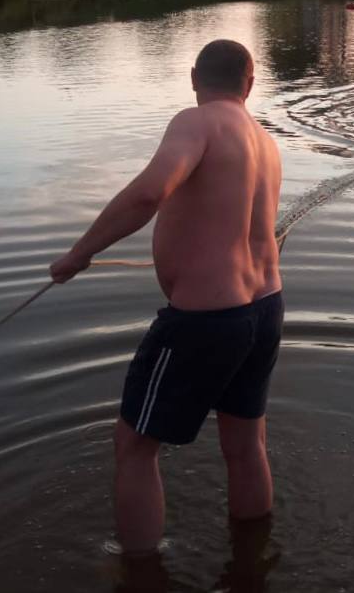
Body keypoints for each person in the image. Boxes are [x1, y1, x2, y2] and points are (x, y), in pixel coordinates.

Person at [50, 39, 283, 553]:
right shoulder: (264, 140)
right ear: (250, 83)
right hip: (264, 310)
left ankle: (139, 573)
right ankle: (254, 561)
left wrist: (78, 255)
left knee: (134, 446)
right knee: (246, 447)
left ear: (194, 76)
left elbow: (148, 193)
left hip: (206, 320)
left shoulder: (197, 122)